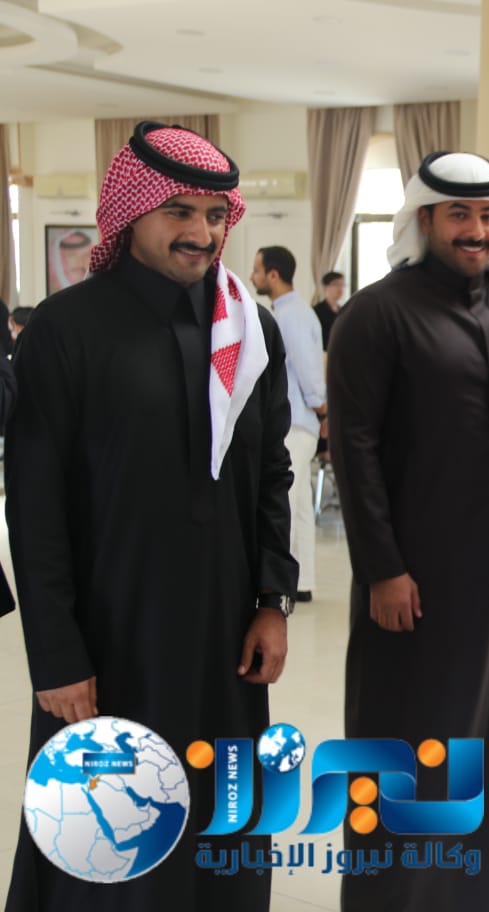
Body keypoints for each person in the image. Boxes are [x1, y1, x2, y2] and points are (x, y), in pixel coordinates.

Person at [4, 121, 295, 911]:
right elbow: (34, 504)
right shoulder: (65, 331)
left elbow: (272, 475)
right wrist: (56, 654)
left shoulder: (251, 330)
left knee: (223, 825)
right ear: (132, 213)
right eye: (179, 212)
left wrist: (272, 599)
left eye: (215, 215)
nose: (201, 232)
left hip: (225, 635)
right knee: (108, 832)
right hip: (111, 636)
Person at [327, 150, 489, 912]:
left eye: (487, 215)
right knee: (410, 739)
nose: (475, 230)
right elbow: (353, 449)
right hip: (415, 580)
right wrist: (383, 568)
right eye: (458, 215)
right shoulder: (377, 314)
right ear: (425, 218)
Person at [251, 245, 326, 603]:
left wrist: (322, 409)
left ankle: (289, 582)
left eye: (257, 270)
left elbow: (308, 369)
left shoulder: (291, 315)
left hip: (296, 423)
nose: (252, 277)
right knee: (298, 506)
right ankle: (302, 580)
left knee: (290, 506)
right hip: (298, 422)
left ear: (273, 275)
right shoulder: (289, 311)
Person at [314, 270, 345, 349]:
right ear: (325, 287)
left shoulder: (343, 310)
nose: (340, 288)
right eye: (336, 284)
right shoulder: (317, 310)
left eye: (342, 285)